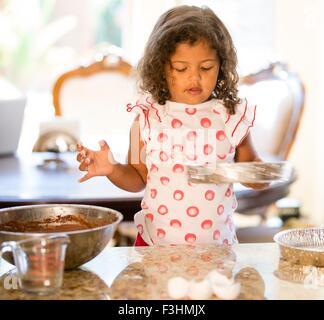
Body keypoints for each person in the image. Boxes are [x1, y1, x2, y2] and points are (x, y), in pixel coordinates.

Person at [76, 5, 268, 246]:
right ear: (161, 67)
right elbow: (138, 178)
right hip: (155, 246)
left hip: (216, 248)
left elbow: (254, 175)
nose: (194, 77)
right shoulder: (148, 118)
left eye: (206, 67)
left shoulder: (230, 116)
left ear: (221, 65)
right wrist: (112, 168)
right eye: (181, 68)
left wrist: (264, 174)